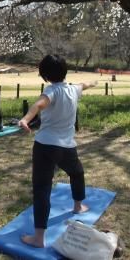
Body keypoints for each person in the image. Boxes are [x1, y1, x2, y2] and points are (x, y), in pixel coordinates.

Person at [17, 54, 97, 248]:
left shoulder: (51, 91)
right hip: (67, 147)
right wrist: (93, 82)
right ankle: (78, 206)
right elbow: (83, 84)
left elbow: (38, 104)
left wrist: (25, 119)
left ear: (44, 75)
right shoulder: (73, 90)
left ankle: (39, 238)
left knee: (42, 188)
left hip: (45, 146)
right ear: (64, 71)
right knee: (77, 173)